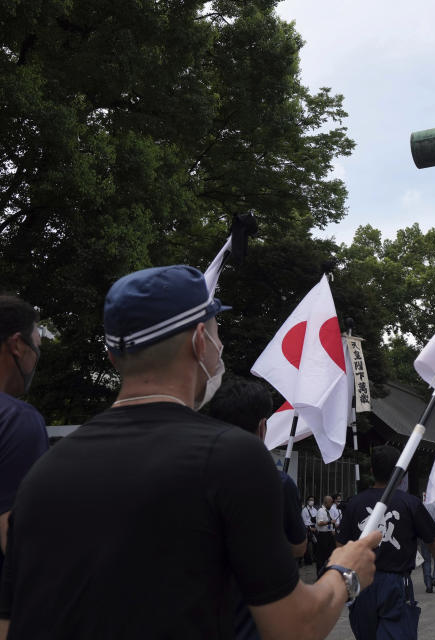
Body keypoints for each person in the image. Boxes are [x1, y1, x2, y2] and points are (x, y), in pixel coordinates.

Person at [0, 265, 380, 638]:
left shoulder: (43, 471)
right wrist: (345, 573)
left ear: (114, 356)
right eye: (217, 332)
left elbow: (9, 620)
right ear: (201, 341)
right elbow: (294, 626)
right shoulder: (232, 458)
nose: (220, 345)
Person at [207, 378, 309, 640]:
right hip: (256, 615)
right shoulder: (279, 482)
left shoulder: (185, 471)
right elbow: (298, 547)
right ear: (263, 427)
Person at [336, 445, 435, 639]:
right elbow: (433, 541)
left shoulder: (354, 503)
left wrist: (349, 588)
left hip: (360, 582)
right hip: (395, 582)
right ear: (399, 472)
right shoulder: (410, 503)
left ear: (372, 471)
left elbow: (340, 550)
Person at [0, 296, 47, 579]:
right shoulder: (16, 420)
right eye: (36, 348)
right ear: (17, 345)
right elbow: (15, 536)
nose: (36, 359)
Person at [314, 496, 337, 578]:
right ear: (326, 502)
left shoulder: (328, 511)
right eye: (331, 503)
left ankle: (329, 572)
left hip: (329, 534)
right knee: (321, 556)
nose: (332, 505)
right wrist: (329, 522)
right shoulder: (321, 511)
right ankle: (320, 574)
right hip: (322, 536)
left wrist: (332, 528)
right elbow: (319, 523)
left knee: (330, 554)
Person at [302, 496, 319, 564]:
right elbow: (304, 521)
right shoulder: (304, 510)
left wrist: (316, 527)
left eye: (313, 500)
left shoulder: (315, 510)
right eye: (310, 500)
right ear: (307, 501)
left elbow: (317, 519)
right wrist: (309, 528)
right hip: (308, 528)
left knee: (316, 544)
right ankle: (307, 560)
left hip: (315, 527)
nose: (312, 501)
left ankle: (315, 558)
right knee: (307, 545)